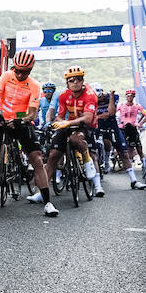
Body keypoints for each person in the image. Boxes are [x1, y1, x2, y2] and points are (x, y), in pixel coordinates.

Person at [0, 51, 60, 216]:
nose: (19, 74)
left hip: (21, 121)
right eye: (17, 70)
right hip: (2, 119)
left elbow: (32, 113)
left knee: (37, 159)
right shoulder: (6, 76)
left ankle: (47, 202)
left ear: (31, 69)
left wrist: (23, 120)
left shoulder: (34, 85)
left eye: (24, 71)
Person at [48, 65, 104, 197]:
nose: (75, 82)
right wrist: (59, 121)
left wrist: (67, 122)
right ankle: (41, 192)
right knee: (53, 155)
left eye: (78, 79)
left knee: (77, 140)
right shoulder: (63, 96)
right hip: (69, 123)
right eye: (71, 80)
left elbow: (88, 118)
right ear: (67, 83)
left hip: (87, 125)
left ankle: (88, 162)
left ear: (83, 80)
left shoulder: (90, 95)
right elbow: (60, 114)